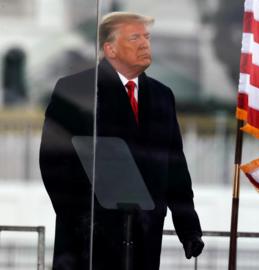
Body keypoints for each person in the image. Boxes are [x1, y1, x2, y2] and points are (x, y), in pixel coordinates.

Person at [39, 12, 204, 270]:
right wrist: (80, 218)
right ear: (110, 49)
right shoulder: (76, 90)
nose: (144, 44)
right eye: (135, 37)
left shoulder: (163, 96)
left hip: (143, 239)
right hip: (88, 243)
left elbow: (176, 169)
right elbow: (53, 160)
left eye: (146, 37)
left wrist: (189, 229)